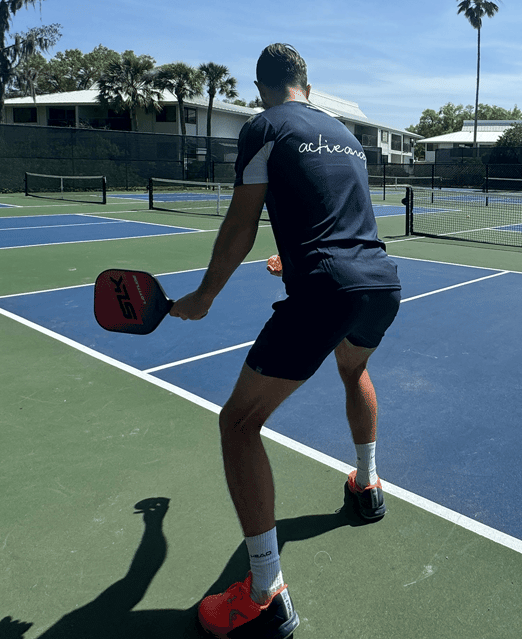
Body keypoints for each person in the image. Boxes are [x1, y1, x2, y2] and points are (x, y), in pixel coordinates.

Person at [169, 43, 401, 639]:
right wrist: (295, 260)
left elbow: (242, 223)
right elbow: (340, 221)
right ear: (307, 81)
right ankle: (368, 486)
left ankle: (266, 594)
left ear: (260, 86)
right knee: (353, 371)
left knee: (239, 424)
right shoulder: (345, 134)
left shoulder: (263, 127)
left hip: (327, 288)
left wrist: (203, 296)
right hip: (379, 281)